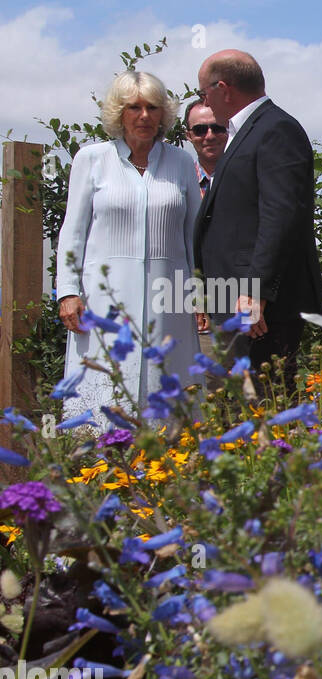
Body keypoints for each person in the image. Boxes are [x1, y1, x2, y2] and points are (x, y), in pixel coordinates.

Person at [55, 70, 205, 425]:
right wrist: (67, 292)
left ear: (163, 114)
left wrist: (200, 293)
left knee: (168, 394)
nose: (144, 116)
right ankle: (98, 470)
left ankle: (169, 472)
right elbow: (72, 233)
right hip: (102, 299)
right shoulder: (91, 159)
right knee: (104, 388)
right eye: (134, 107)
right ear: (118, 112)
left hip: (169, 298)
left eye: (152, 107)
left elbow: (194, 236)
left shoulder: (182, 163)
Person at [194, 49, 322, 390]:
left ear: (223, 88)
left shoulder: (275, 129)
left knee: (264, 409)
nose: (203, 99)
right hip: (236, 299)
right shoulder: (247, 131)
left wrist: (256, 291)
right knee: (238, 413)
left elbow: (281, 215)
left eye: (202, 92)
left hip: (260, 309)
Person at [184, 100, 227, 360]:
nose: (209, 136)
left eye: (217, 127)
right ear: (189, 136)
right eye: (200, 130)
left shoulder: (250, 177)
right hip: (194, 310)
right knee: (205, 393)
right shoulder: (176, 184)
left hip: (245, 303)